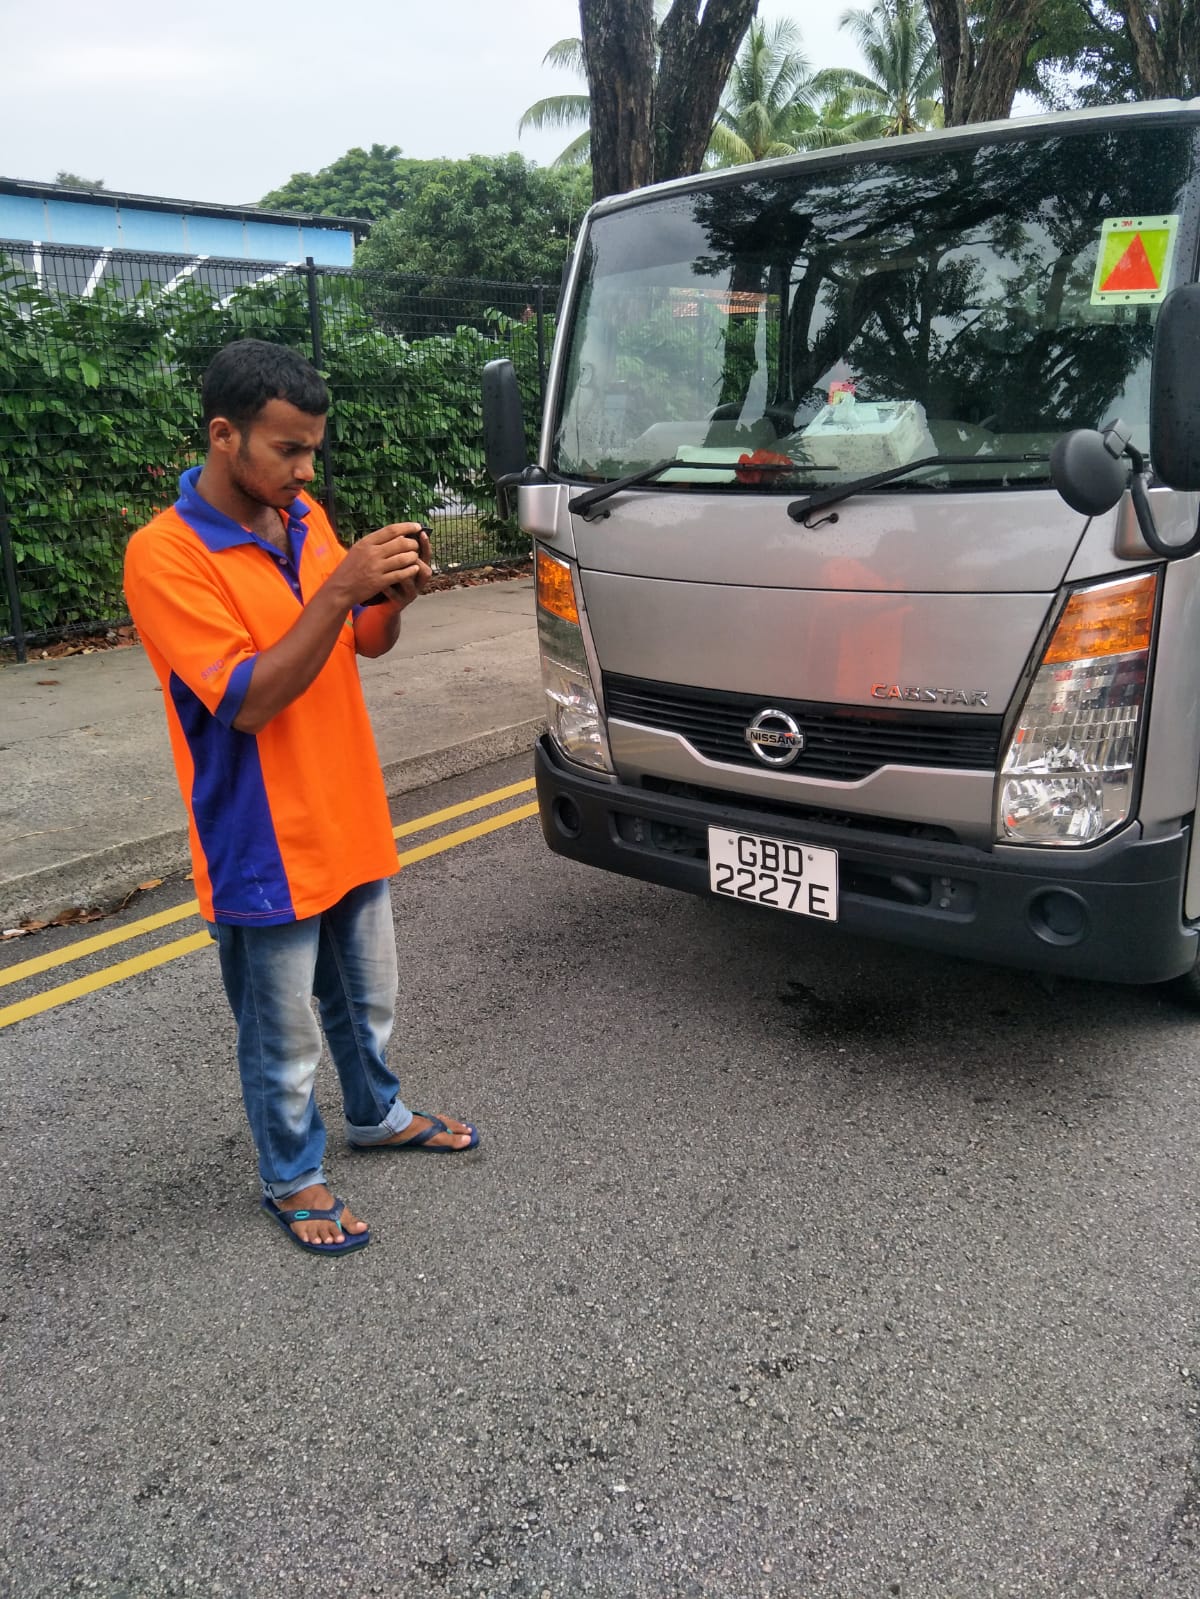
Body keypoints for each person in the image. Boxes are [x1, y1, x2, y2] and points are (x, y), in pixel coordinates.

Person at [123, 338, 478, 1258]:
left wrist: (390, 597)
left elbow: (360, 639)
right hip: (259, 837)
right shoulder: (165, 554)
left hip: (346, 807)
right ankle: (291, 1175)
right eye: (288, 449)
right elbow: (248, 699)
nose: (306, 469)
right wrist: (341, 587)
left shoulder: (303, 515)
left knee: (365, 1001)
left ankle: (377, 1113)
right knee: (281, 1037)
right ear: (224, 435)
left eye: (313, 449)